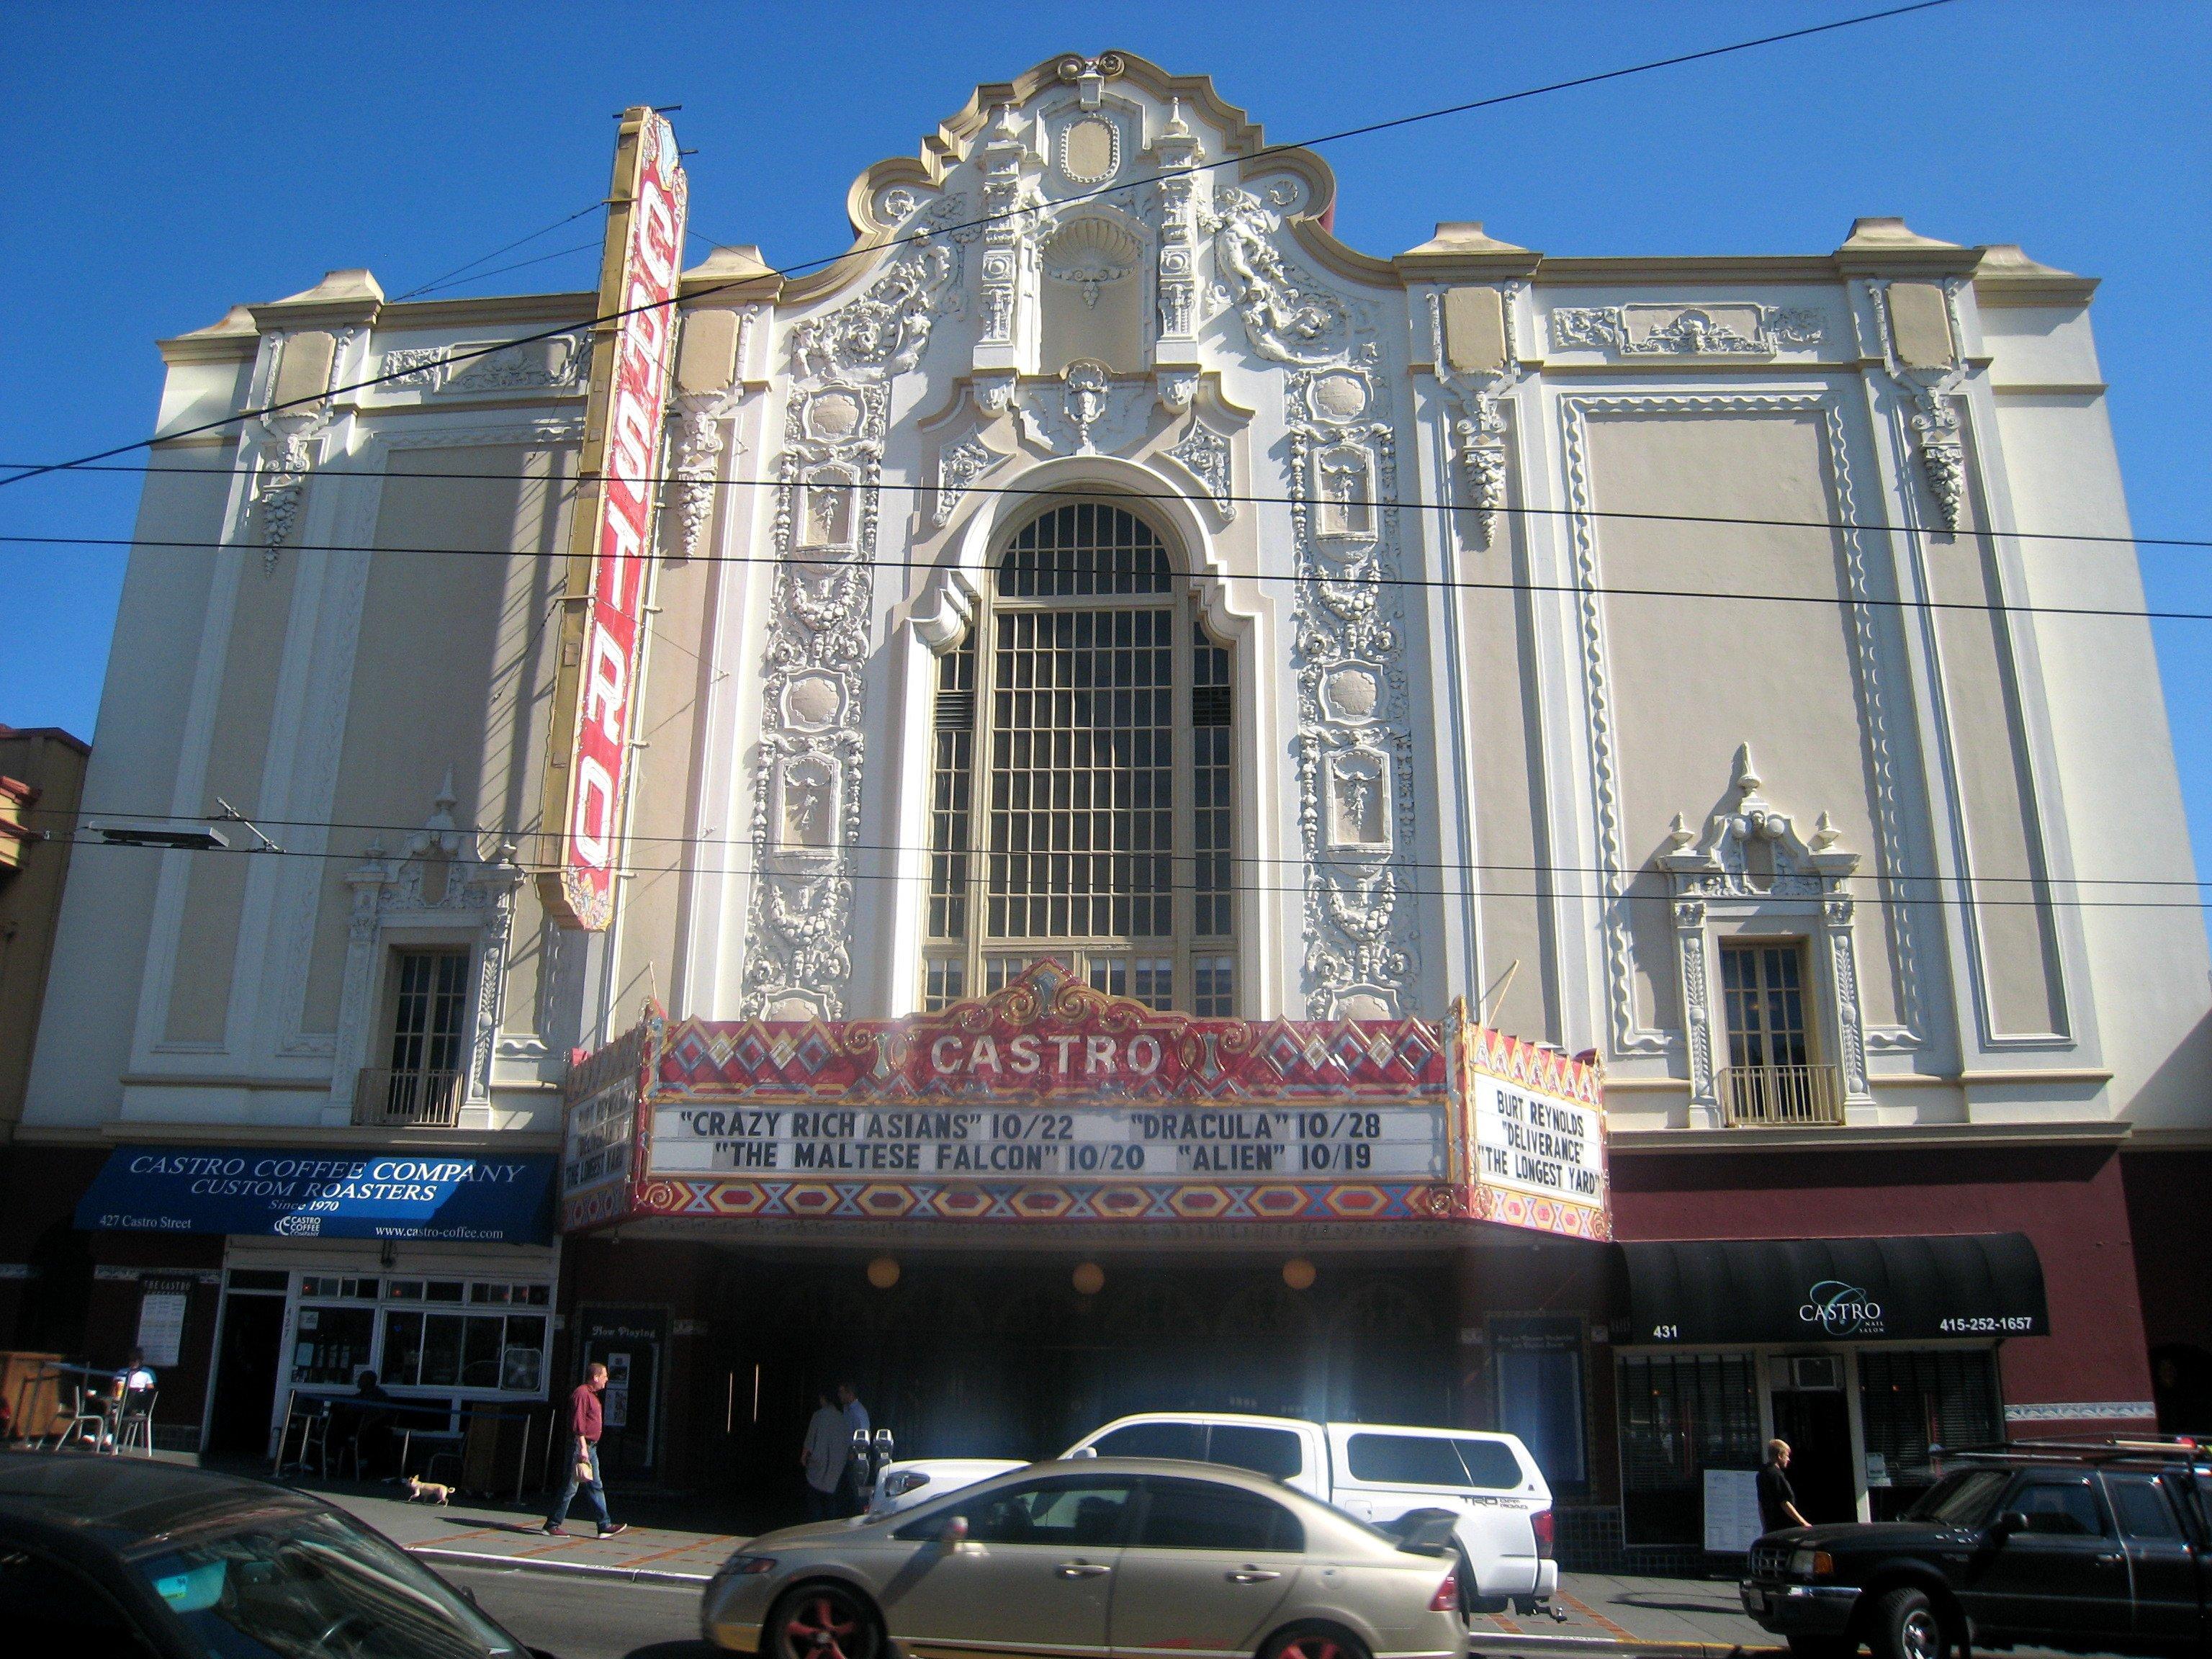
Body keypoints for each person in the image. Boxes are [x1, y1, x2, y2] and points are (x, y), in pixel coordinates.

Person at [541, 1362, 629, 1538]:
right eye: (604, 1376)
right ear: (595, 1377)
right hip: (582, 1446)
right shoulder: (582, 1394)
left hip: (591, 1448)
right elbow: (578, 1423)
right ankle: (552, 1524)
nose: (606, 1380)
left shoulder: (592, 1395)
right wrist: (582, 1447)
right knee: (570, 1487)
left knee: (596, 1486)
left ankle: (604, 1525)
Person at [801, 1390, 849, 1521]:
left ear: (823, 1399)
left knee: (815, 1507)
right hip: (835, 1470)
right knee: (831, 1507)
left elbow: (810, 1440)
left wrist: (804, 1457)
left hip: (817, 1468)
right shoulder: (842, 1418)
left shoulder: (818, 1416)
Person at [1758, 1438, 1810, 1532]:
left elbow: (1761, 1504)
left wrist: (1765, 1527)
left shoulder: (1762, 1474)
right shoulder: (1776, 1475)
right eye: (1787, 1456)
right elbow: (1784, 1502)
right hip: (1783, 1527)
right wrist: (1804, 1523)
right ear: (1779, 1456)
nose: (1789, 1459)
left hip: (1770, 1528)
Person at [837, 1382, 871, 1516]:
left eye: (841, 1392)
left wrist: (854, 1452)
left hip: (856, 1458)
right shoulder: (847, 1409)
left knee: (857, 1491)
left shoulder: (859, 1412)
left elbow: (864, 1437)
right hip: (845, 1455)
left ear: (849, 1393)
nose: (839, 1395)